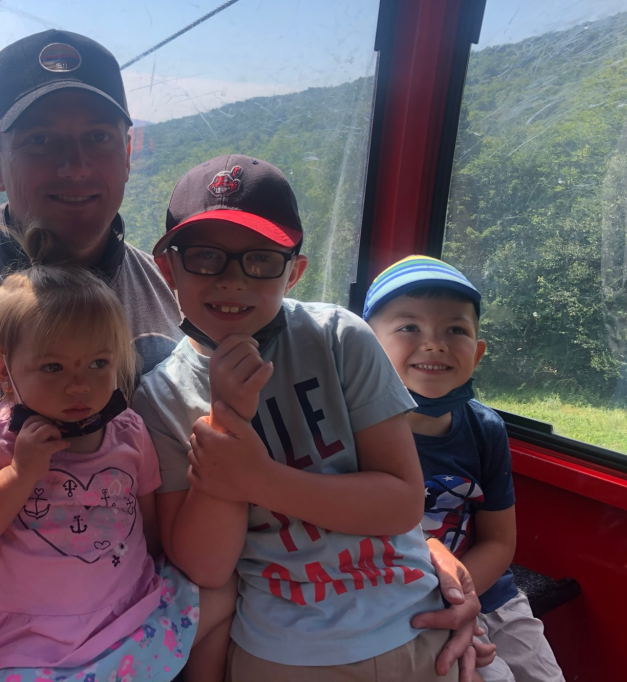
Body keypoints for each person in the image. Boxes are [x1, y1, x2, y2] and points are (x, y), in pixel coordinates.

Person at [0, 31, 480, 670]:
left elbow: (240, 482)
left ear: (130, 151)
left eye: (98, 139)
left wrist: (413, 556)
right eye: (41, 141)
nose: (75, 167)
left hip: (152, 620)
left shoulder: (182, 305)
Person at [132, 154, 475, 681]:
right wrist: (227, 423)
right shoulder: (162, 398)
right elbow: (205, 566)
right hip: (286, 648)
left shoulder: (339, 338)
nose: (233, 280)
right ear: (167, 267)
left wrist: (259, 479)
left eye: (261, 260)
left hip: (417, 622)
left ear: (295, 271)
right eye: (205, 257)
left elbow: (401, 503)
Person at [0, 229, 235, 682]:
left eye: (98, 364)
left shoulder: (127, 429)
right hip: (35, 651)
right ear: (3, 370)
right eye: (53, 367)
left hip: (131, 618)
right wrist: (18, 474)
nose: (79, 385)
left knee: (221, 591)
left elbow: (147, 529)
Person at [364, 256, 565, 682]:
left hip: (489, 591)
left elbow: (498, 539)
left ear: (477, 353)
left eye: (455, 330)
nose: (434, 343)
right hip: (400, 600)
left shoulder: (485, 429)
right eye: (409, 327)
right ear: (365, 346)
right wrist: (436, 601)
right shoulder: (356, 432)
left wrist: (458, 594)